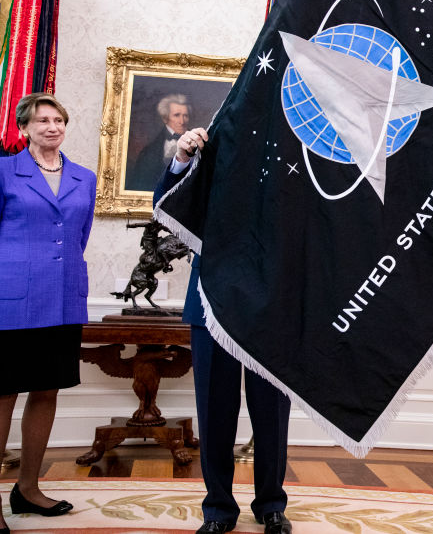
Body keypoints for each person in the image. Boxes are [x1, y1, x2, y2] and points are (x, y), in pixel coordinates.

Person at [0, 93, 96, 534]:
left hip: (63, 301)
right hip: (12, 301)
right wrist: (6, 283)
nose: (52, 126)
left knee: (46, 391)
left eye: (59, 119)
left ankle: (27, 489)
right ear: (24, 128)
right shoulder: (1, 171)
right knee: (1, 394)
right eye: (42, 120)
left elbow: (79, 237)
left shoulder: (83, 177)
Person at [154, 127, 293, 534]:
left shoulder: (288, 162)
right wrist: (182, 158)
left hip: (270, 308)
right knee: (215, 412)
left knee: (272, 415)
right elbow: (166, 203)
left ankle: (271, 505)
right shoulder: (209, 153)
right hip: (211, 303)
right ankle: (218, 509)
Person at [126, 93, 192, 191]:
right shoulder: (148, 152)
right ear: (165, 118)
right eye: (177, 115)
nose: (182, 121)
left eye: (185, 116)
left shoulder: (198, 147)